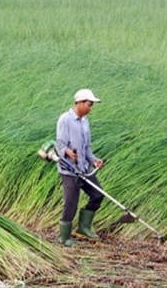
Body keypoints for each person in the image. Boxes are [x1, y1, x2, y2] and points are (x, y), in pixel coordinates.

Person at [55, 88, 105, 247]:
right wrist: (67, 151)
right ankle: (65, 237)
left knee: (97, 195)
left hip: (84, 168)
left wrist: (94, 160)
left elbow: (87, 148)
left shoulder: (85, 122)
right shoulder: (65, 119)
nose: (91, 108)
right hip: (69, 170)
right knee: (71, 202)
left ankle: (83, 228)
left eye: (92, 105)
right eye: (89, 105)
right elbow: (59, 144)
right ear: (80, 103)